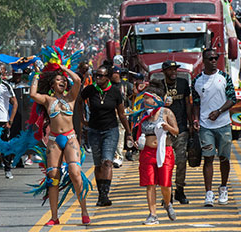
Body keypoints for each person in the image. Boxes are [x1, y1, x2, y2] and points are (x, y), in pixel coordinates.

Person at [30, 64, 90, 226]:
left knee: (75, 173)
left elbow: (77, 79)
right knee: (53, 178)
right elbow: (33, 94)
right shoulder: (48, 100)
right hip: (54, 141)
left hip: (70, 138)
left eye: (64, 80)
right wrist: (36, 73)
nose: (62, 81)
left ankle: (84, 210)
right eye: (58, 80)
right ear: (52, 85)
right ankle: (54, 217)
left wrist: (64, 69)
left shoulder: (71, 97)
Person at [81, 65, 133, 206]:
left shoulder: (115, 92)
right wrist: (81, 120)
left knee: (107, 162)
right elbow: (78, 102)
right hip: (94, 131)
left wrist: (129, 133)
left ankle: (105, 194)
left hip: (110, 130)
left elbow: (122, 114)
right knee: (98, 164)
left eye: (101, 76)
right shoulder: (90, 90)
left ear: (108, 77)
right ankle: (100, 194)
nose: (98, 78)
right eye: (96, 75)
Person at [192, 48, 236, 207]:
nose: (213, 61)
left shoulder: (224, 78)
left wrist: (219, 112)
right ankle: (208, 193)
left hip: (223, 124)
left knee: (224, 158)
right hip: (205, 126)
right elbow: (196, 103)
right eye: (210, 58)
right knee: (208, 157)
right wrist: (196, 119)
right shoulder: (197, 80)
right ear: (203, 60)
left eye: (215, 58)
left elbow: (232, 99)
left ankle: (223, 187)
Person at [136, 84, 179, 225]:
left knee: (165, 184)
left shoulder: (166, 112)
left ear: (155, 99)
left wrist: (168, 127)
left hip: (164, 152)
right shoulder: (143, 113)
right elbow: (136, 131)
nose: (144, 100)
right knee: (150, 184)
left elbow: (176, 131)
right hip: (147, 153)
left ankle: (167, 203)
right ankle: (153, 214)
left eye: (147, 98)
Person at [160, 60, 191, 205]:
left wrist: (191, 123)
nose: (173, 72)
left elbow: (187, 104)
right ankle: (167, 193)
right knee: (166, 163)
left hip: (181, 127)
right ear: (164, 71)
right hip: (164, 129)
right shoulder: (159, 85)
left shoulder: (183, 83)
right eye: (170, 70)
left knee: (181, 160)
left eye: (175, 69)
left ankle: (180, 190)